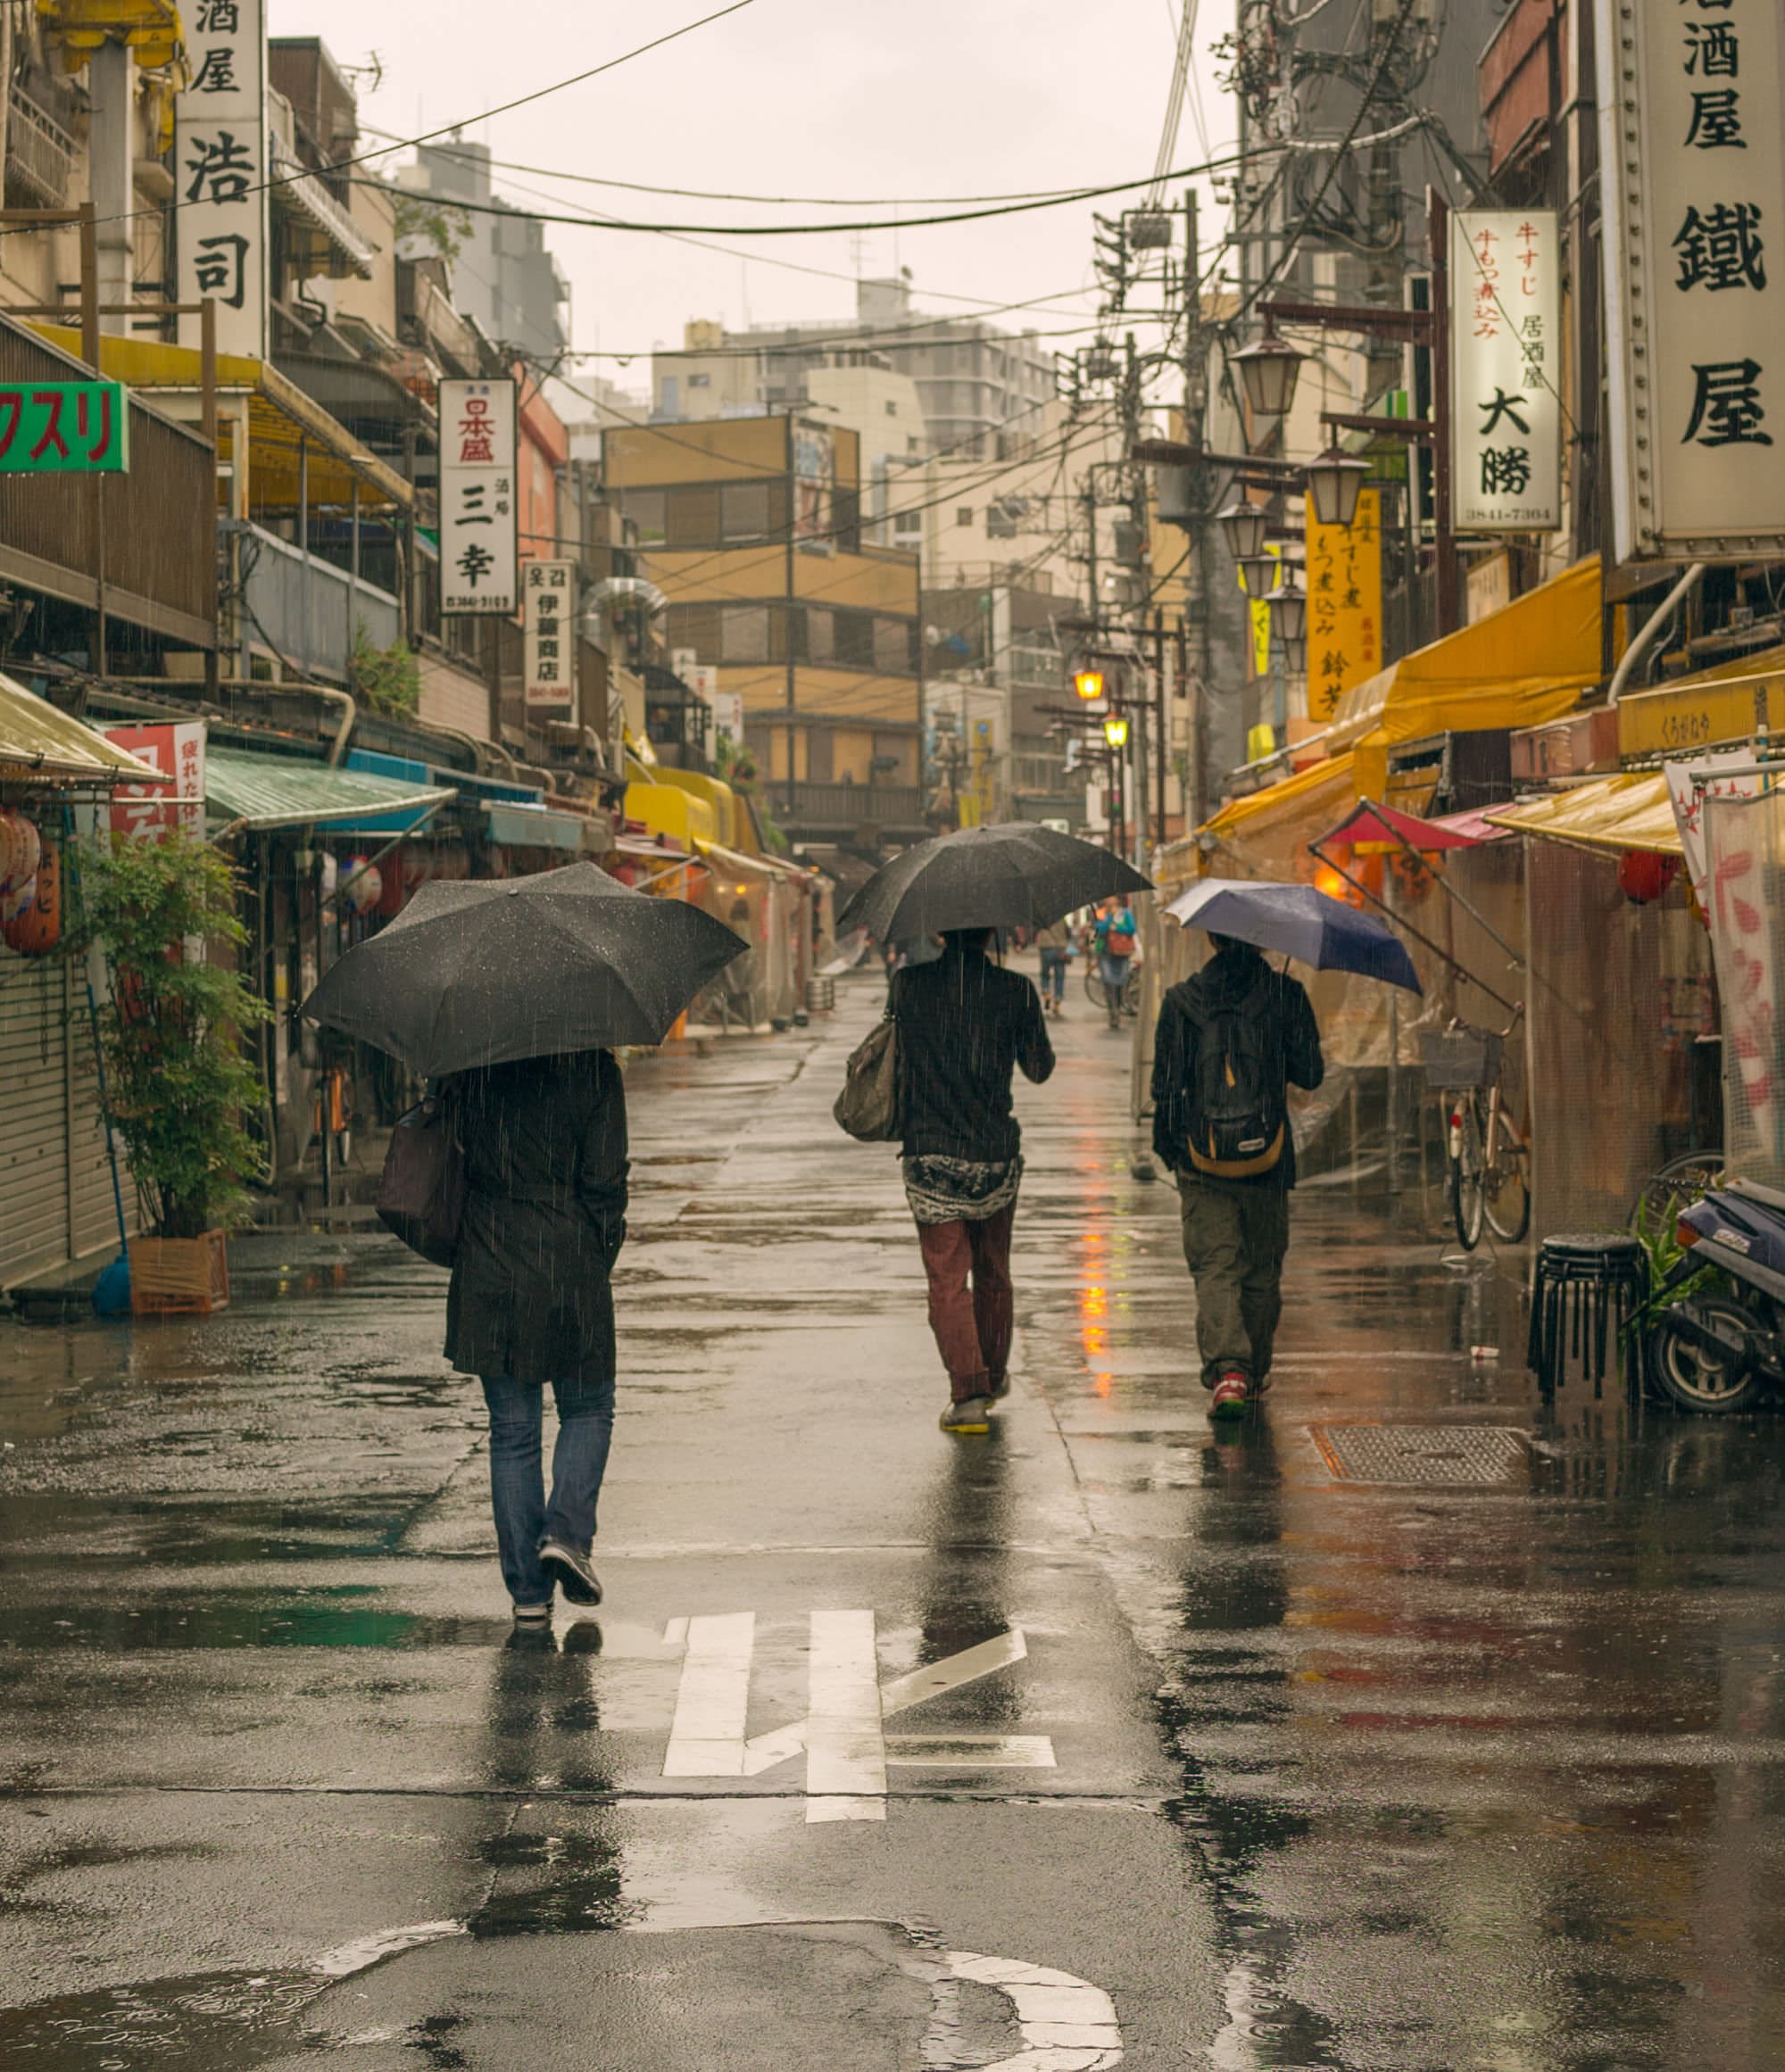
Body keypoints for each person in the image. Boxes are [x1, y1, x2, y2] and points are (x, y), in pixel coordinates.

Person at [445, 1049, 628, 1624]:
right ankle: (567, 1535)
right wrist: (597, 1254)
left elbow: (453, 1157)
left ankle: (528, 1594)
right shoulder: (593, 1068)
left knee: (513, 1430)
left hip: (489, 1256)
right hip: (570, 1255)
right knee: (588, 1406)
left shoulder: (474, 1061)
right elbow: (605, 1183)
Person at [1150, 932, 1324, 1419]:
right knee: (1262, 1267)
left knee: (1215, 1266)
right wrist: (1284, 1027)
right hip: (1268, 1156)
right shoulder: (1286, 995)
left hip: (1201, 1156)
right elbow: (1311, 1073)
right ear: (1263, 939)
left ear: (1211, 938)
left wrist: (1173, 1150)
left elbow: (1165, 1088)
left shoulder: (1181, 1001)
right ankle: (1255, 1370)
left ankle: (1229, 1371)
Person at [891, 927, 1055, 1435]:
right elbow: (1040, 1068)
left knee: (947, 1279)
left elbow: (896, 1058)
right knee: (993, 1271)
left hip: (931, 1151)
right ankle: (994, 1374)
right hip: (993, 1153)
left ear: (939, 931)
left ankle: (968, 1396)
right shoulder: (1015, 990)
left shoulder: (909, 985)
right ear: (992, 933)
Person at [1092, 898, 1138, 1029]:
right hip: (1105, 953)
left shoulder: (1124, 913)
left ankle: (1117, 1008)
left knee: (1120, 983)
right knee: (1108, 982)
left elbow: (1131, 929)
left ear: (1117, 900)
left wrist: (1117, 927)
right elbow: (1099, 930)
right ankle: (1113, 1013)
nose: (1109, 900)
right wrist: (1109, 919)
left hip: (1121, 953)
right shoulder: (1101, 913)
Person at [1035, 918, 1071, 1015]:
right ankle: (1057, 1001)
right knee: (1059, 976)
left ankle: (1046, 992)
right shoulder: (1061, 918)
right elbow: (1068, 933)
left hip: (1046, 947)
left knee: (1045, 973)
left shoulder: (1041, 917)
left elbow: (1035, 930)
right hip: (1060, 949)